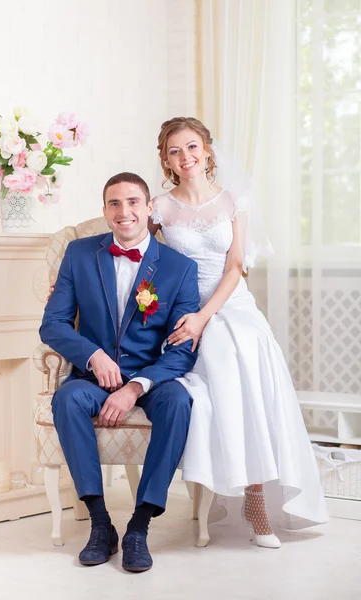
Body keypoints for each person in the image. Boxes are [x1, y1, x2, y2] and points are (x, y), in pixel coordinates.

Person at [150, 117, 328, 548]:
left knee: (242, 349)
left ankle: (256, 497)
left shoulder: (234, 201)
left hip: (231, 302)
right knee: (219, 361)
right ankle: (228, 482)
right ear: (166, 160)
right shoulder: (159, 207)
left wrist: (205, 317)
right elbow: (147, 265)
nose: (185, 157)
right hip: (185, 307)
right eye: (175, 151)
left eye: (192, 147)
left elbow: (235, 267)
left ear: (208, 151)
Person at [40, 172, 200, 572]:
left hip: (151, 378)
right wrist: (93, 355)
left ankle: (139, 528)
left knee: (179, 401)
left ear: (149, 208)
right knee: (66, 398)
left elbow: (182, 350)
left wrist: (133, 388)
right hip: (93, 378)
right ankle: (100, 524)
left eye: (133, 202)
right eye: (114, 203)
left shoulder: (179, 268)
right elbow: (53, 324)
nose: (124, 211)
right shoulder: (79, 254)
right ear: (105, 210)